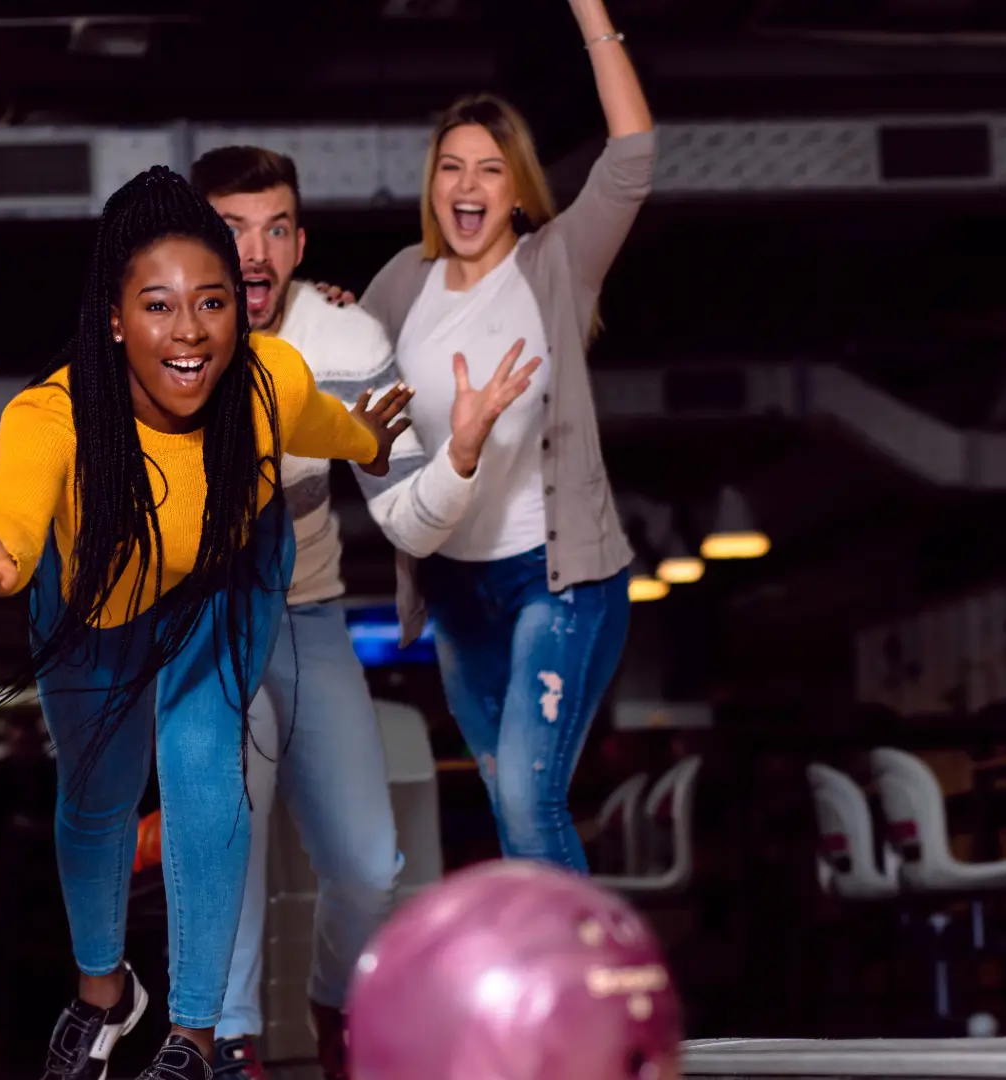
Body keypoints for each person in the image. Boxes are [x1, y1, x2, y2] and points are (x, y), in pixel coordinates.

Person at [0, 166, 412, 1080]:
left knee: (203, 770)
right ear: (114, 318)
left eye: (212, 303)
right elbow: (15, 522)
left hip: (224, 577)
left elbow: (334, 429)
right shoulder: (54, 415)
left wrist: (375, 438)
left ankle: (194, 1037)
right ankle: (102, 996)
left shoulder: (270, 381)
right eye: (159, 305)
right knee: (97, 795)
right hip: (92, 591)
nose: (190, 332)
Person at [187, 146, 535, 1080]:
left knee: (369, 866)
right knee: (234, 827)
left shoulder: (344, 341)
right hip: (203, 630)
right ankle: (229, 1043)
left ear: (299, 243)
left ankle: (337, 1011)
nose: (252, 252)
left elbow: (405, 516)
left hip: (308, 618)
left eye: (273, 229)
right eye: (228, 230)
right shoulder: (163, 337)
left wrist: (456, 457)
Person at [354, 0, 655, 869]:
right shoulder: (401, 284)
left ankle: (584, 996)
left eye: (489, 169)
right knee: (503, 798)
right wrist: (325, 309)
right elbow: (334, 379)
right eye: (451, 167)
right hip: (455, 592)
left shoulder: (558, 263)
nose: (466, 186)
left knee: (529, 800)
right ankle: (548, 991)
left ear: (517, 189)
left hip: (556, 580)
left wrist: (590, 9)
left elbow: (632, 154)